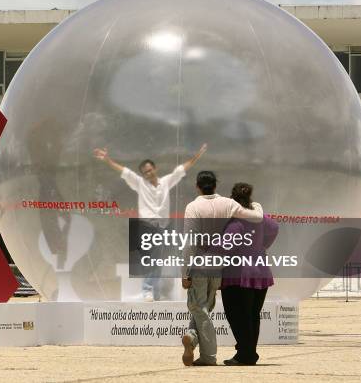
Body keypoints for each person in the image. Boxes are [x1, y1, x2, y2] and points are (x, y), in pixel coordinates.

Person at [93, 144, 207, 301]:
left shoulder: (166, 182)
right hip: (147, 226)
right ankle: (147, 289)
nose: (148, 173)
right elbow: (124, 171)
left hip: (162, 226)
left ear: (155, 169)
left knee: (157, 260)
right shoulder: (139, 183)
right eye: (145, 172)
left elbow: (181, 169)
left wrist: (198, 155)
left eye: (149, 170)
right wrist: (107, 159)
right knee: (152, 257)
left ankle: (154, 292)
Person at [181, 172, 264, 366]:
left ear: (197, 186)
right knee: (206, 307)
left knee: (197, 307)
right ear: (215, 186)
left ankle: (209, 355)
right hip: (218, 266)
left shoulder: (193, 207)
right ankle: (192, 337)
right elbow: (257, 216)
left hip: (200, 263)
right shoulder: (228, 204)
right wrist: (258, 205)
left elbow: (189, 243)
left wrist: (184, 273)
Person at [220, 183, 278, 366]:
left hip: (238, 275)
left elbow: (226, 247)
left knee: (237, 315)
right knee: (252, 315)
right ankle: (249, 353)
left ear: (232, 199)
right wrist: (263, 246)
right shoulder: (260, 217)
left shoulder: (235, 222)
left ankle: (245, 354)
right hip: (260, 272)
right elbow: (274, 227)